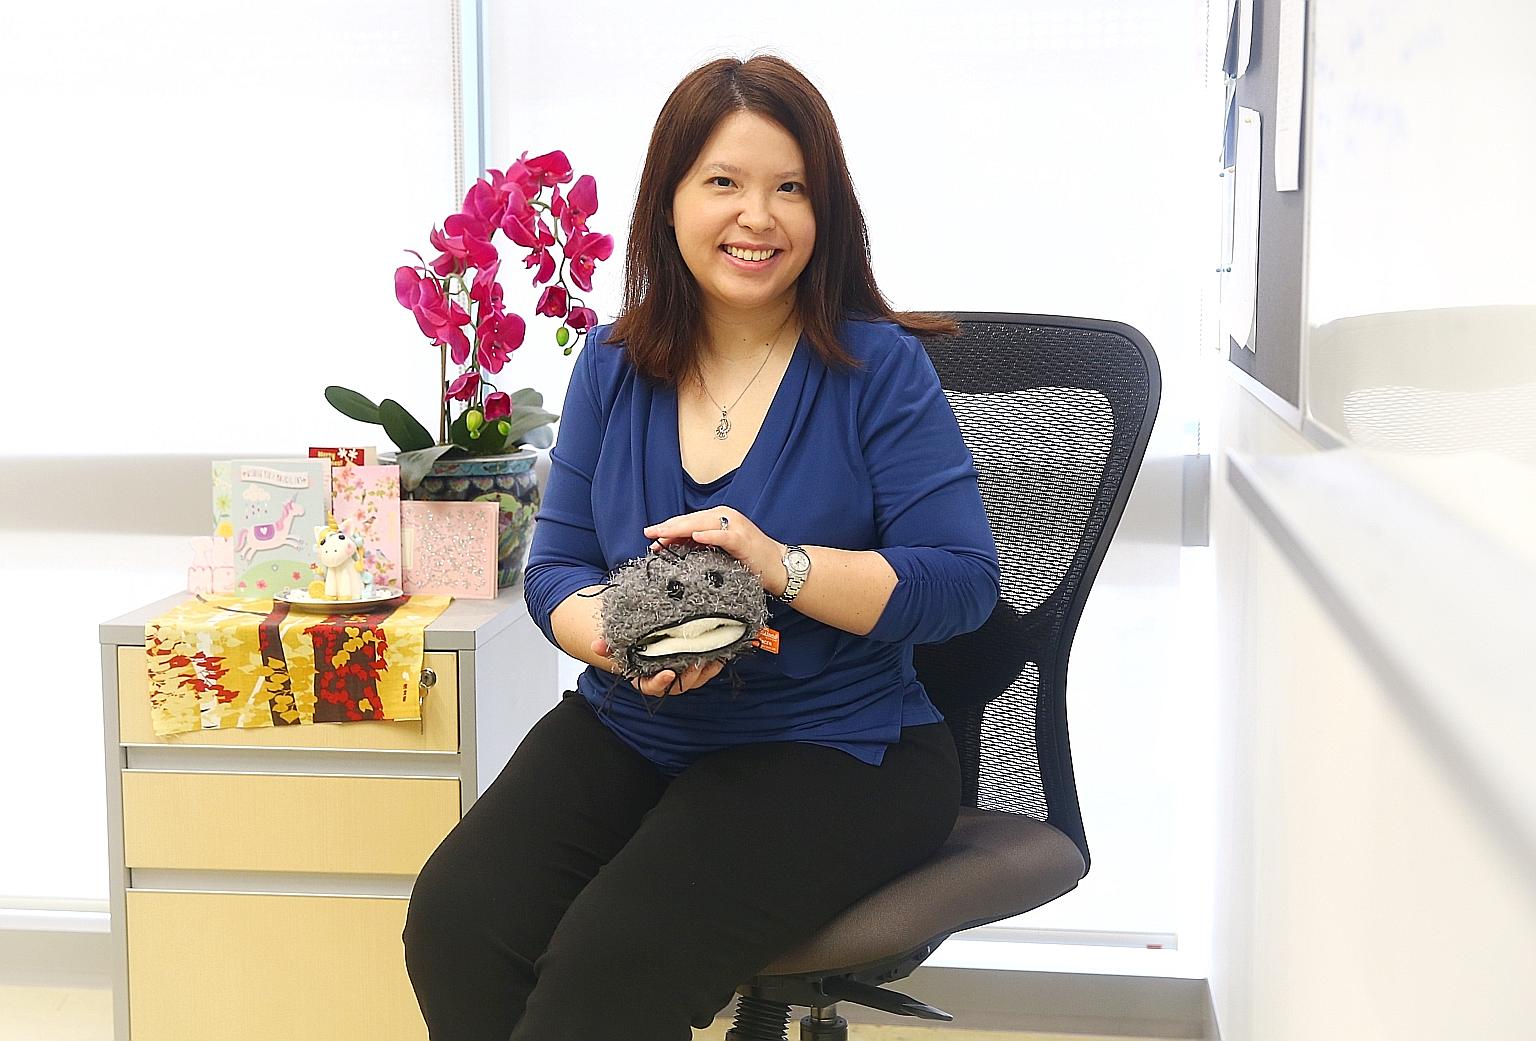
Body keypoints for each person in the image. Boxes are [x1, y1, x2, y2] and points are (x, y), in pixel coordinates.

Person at [402, 53, 1000, 1041]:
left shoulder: (877, 371)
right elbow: (556, 573)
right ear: (670, 202)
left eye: (789, 188)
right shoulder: (611, 365)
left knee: (609, 970)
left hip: (841, 747)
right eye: (723, 182)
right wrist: (628, 644)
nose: (756, 216)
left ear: (825, 212)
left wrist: (779, 566)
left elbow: (961, 583)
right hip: (634, 728)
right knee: (460, 924)